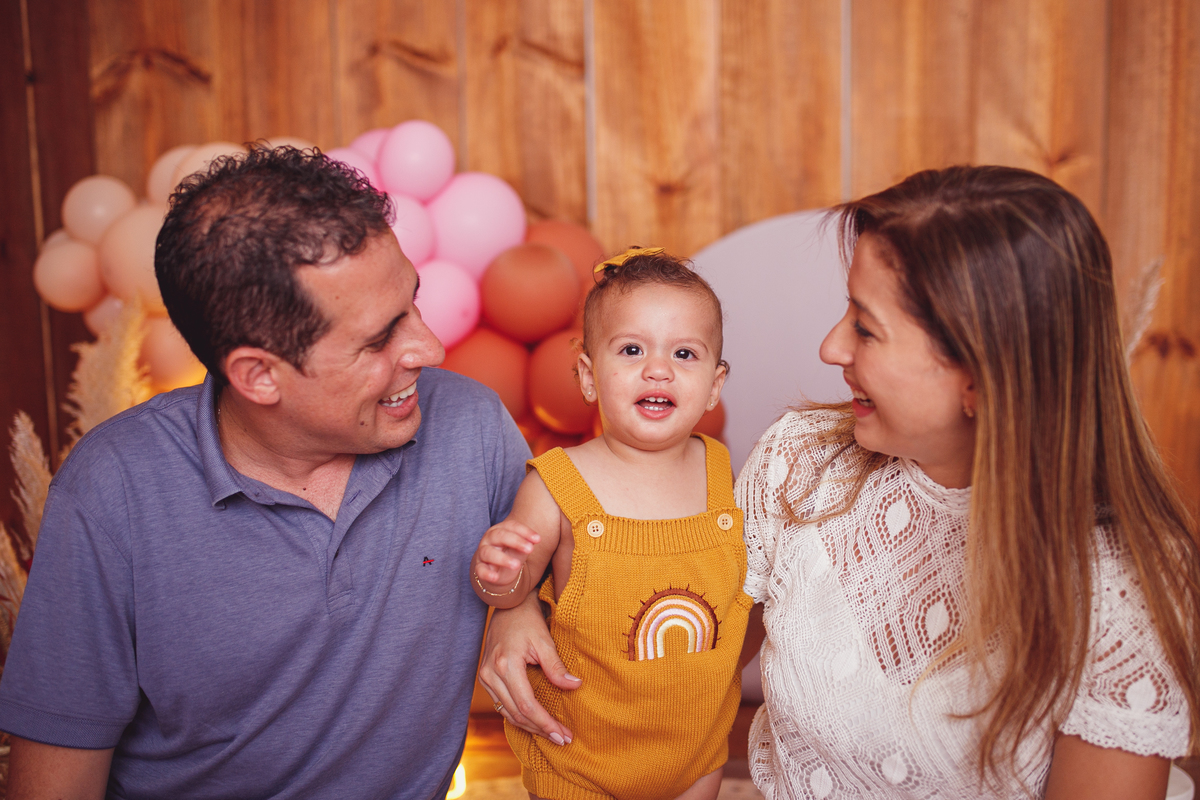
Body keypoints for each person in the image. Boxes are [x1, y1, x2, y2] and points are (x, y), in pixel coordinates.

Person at [480, 166, 1200, 798]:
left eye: (866, 326)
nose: (829, 347)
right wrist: (516, 608)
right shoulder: (803, 463)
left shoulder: (1122, 588)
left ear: (981, 378)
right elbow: (685, 639)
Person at [0, 147, 530, 799]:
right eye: (379, 338)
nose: (431, 347)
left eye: (413, 305)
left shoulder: (470, 428)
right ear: (258, 376)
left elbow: (595, 588)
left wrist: (519, 608)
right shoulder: (115, 489)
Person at [471, 248, 752, 800]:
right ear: (589, 375)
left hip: (694, 754)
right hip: (579, 758)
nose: (658, 369)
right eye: (631, 349)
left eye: (685, 354)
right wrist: (499, 572)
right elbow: (507, 589)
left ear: (715, 386)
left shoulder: (724, 476)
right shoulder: (557, 482)